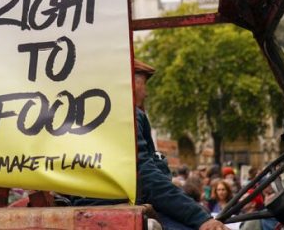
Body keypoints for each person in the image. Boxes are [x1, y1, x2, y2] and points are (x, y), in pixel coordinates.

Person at [74, 60, 225, 230]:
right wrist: (201, 218)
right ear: (130, 82)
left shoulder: (81, 113)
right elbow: (145, 175)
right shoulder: (126, 115)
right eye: (144, 84)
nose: (146, 93)